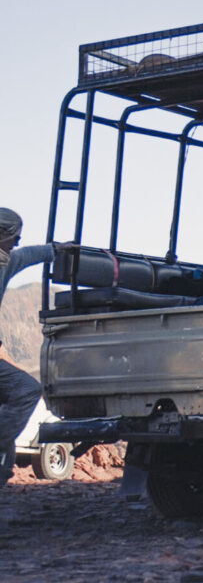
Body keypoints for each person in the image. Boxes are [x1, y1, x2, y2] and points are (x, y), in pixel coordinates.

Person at [0, 208, 72, 488]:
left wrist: (56, 249)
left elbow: (29, 254)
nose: (17, 241)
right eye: (13, 236)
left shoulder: (7, 261)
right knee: (26, 390)